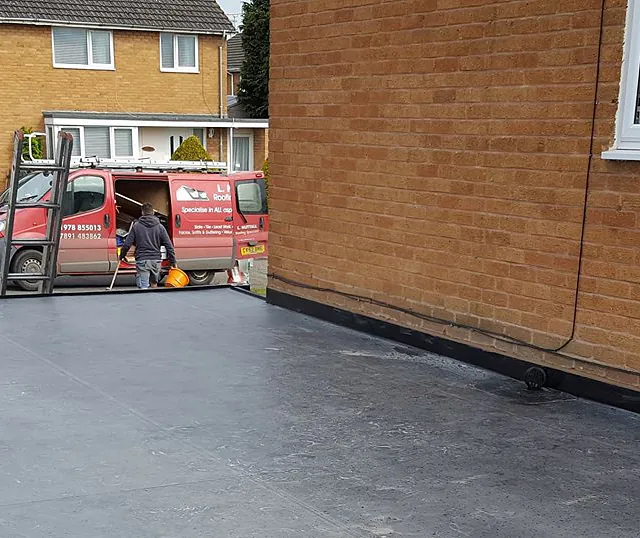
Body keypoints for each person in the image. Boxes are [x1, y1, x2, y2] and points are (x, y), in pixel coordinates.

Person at [119, 203, 176, 289]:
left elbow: (127, 244)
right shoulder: (160, 227)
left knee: (143, 286)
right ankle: (154, 301)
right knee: (154, 285)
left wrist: (122, 256)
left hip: (142, 259)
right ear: (152, 212)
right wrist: (173, 261)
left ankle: (145, 300)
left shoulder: (136, 226)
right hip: (156, 260)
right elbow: (169, 246)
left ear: (142, 213)